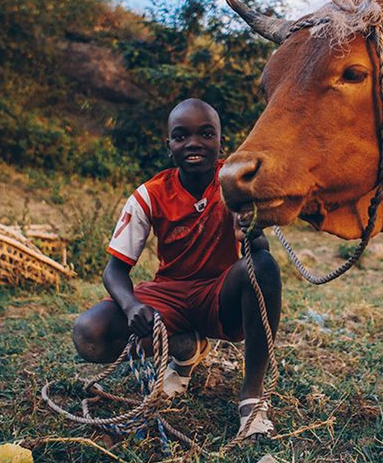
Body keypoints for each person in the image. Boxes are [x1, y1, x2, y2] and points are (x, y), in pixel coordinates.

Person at [71, 98, 282, 438]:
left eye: (206, 134)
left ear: (221, 142)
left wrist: (252, 233)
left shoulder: (236, 182)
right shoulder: (149, 195)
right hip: (170, 293)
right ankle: (185, 349)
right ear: (168, 145)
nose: (194, 143)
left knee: (264, 267)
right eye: (181, 136)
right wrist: (132, 306)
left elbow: (258, 256)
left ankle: (252, 401)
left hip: (219, 293)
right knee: (90, 334)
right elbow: (114, 270)